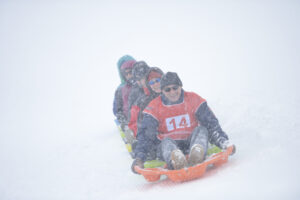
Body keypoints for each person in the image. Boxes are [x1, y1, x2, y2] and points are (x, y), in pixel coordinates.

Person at [131, 72, 233, 172]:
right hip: (169, 145)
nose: (172, 92)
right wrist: (140, 158)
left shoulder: (193, 99)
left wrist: (223, 142)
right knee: (166, 142)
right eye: (167, 89)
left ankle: (197, 152)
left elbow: (211, 123)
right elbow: (145, 135)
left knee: (201, 130)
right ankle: (175, 159)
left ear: (180, 86)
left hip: (190, 142)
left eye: (175, 88)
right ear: (162, 91)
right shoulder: (154, 107)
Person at [128, 67, 164, 138]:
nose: (155, 84)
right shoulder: (145, 102)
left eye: (157, 80)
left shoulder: (174, 94)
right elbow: (141, 125)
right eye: (151, 82)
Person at [113, 57, 136, 128]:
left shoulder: (144, 84)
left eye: (131, 72)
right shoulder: (120, 89)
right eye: (126, 73)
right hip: (129, 122)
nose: (129, 75)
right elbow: (117, 109)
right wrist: (122, 120)